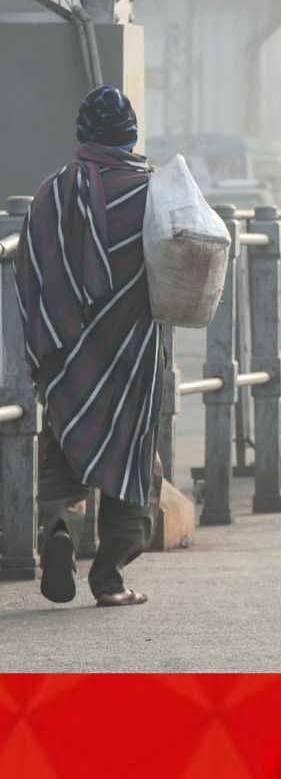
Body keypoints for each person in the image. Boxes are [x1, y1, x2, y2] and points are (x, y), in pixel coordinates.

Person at [15, 87, 166, 607]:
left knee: (63, 450)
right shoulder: (152, 193)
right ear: (130, 135)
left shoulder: (51, 193)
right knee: (133, 455)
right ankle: (110, 577)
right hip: (131, 354)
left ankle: (58, 528)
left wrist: (50, 339)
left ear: (84, 134)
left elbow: (30, 272)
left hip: (66, 355)